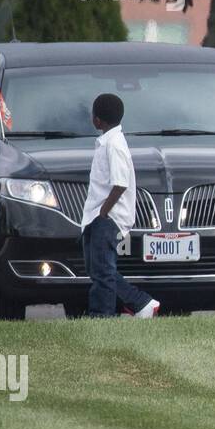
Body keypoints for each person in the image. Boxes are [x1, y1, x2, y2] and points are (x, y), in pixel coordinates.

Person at [80, 94, 160, 318]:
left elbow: (120, 183)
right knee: (98, 269)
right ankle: (142, 304)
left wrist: (104, 213)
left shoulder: (114, 145)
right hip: (95, 215)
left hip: (107, 217)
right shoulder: (108, 142)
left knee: (102, 272)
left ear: (97, 120)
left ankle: (101, 317)